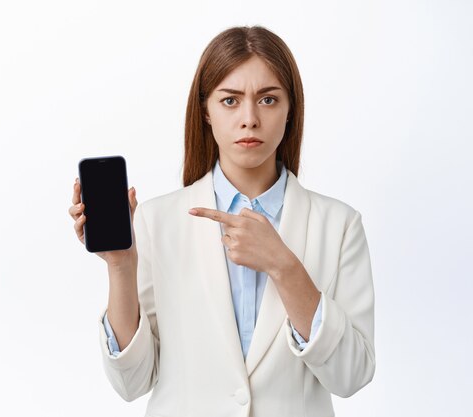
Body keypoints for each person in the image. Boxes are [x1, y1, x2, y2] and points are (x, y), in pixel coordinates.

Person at [69, 25, 375, 417]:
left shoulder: (340, 225)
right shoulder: (156, 220)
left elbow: (352, 376)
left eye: (268, 99)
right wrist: (120, 266)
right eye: (230, 100)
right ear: (206, 111)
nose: (249, 119)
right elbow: (133, 383)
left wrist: (284, 266)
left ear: (290, 110)